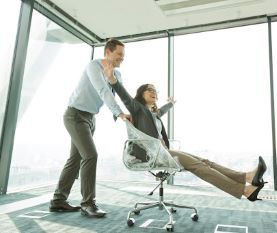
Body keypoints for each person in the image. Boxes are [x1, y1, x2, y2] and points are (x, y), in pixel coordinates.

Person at [103, 72, 267, 201]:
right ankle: (245, 190)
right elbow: (124, 96)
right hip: (153, 155)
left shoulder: (153, 114)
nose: (154, 92)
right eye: (149, 89)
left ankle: (247, 177)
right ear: (141, 94)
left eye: (155, 90)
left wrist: (171, 104)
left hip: (162, 152)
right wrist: (113, 80)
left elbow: (161, 111)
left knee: (205, 162)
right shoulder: (137, 108)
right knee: (199, 166)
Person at [49, 38, 130, 218]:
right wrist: (118, 113)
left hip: (90, 118)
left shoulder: (117, 74)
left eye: (123, 56)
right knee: (90, 155)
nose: (122, 59)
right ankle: (88, 204)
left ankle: (58, 201)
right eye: (119, 54)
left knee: (75, 159)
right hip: (75, 115)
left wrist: (131, 111)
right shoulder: (93, 67)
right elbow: (103, 91)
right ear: (107, 52)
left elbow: (121, 95)